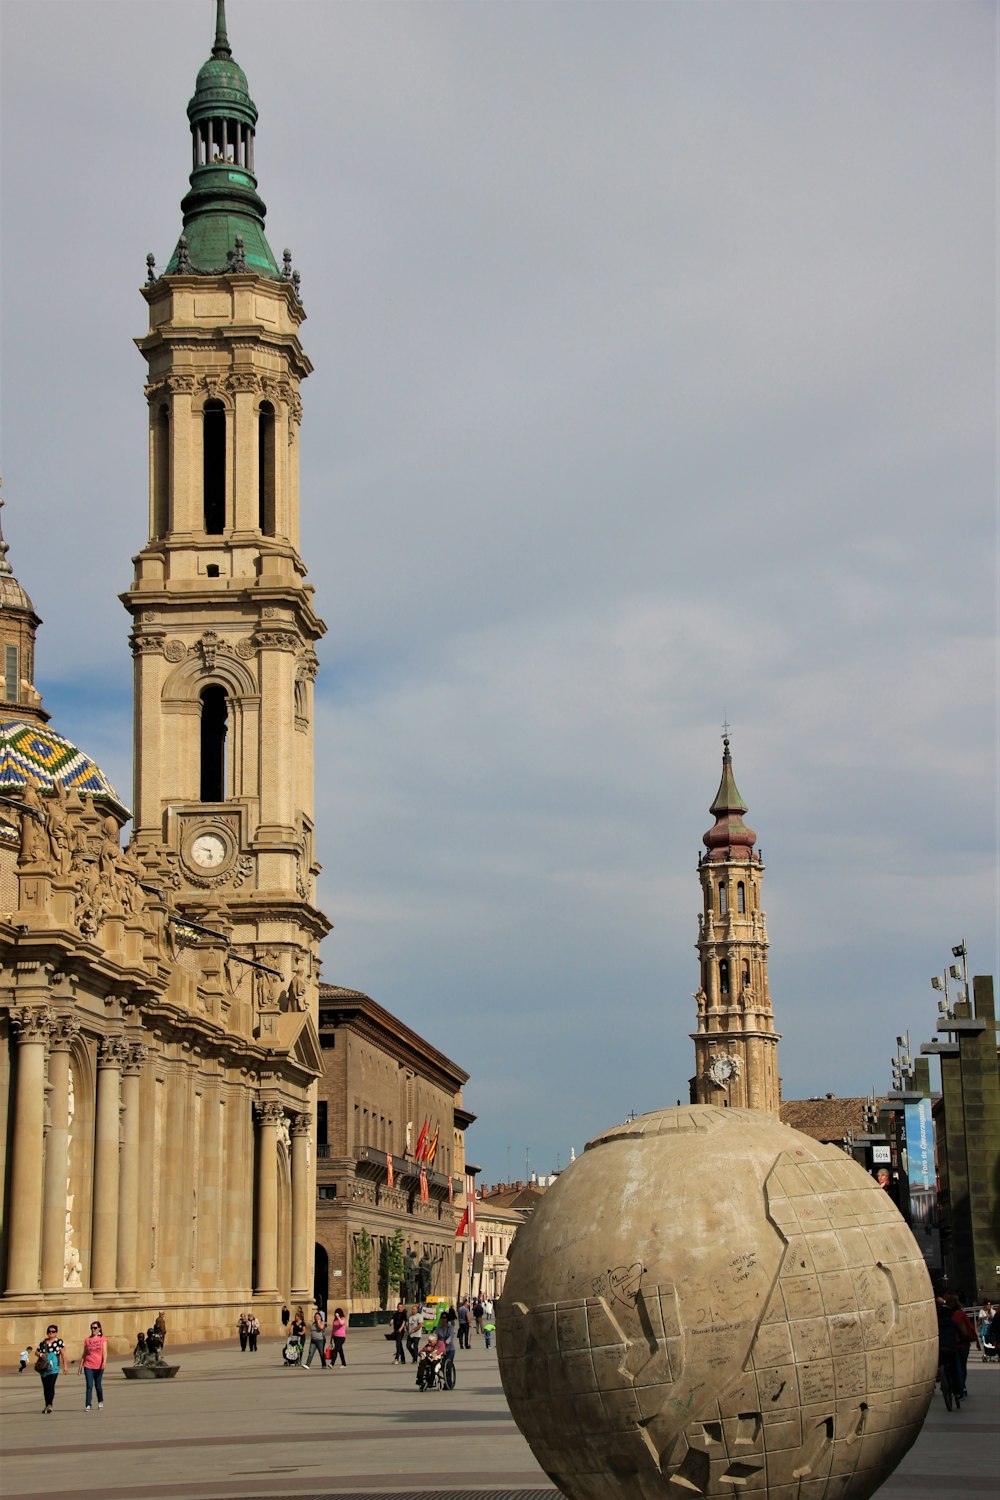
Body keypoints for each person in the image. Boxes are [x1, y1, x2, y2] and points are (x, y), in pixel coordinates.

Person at [947, 1295, 976, 1396]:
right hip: (964, 1343)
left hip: (952, 1343)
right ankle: (962, 1386)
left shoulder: (948, 1315)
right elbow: (970, 1327)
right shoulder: (962, 1314)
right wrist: (976, 1340)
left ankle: (955, 1385)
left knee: (955, 1366)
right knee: (962, 1366)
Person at [36, 1323, 67, 1414]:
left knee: (51, 1385)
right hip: (44, 1368)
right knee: (45, 1387)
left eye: (53, 1331)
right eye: (49, 1331)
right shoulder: (43, 1342)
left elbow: (64, 1354)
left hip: (54, 1367)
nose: (51, 1333)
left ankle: (50, 1404)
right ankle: (46, 1404)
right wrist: (41, 1354)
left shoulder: (59, 1342)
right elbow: (36, 1352)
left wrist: (65, 1366)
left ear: (56, 1333)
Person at [79, 1319, 108, 1411]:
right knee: (89, 1385)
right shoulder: (87, 1340)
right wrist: (80, 1366)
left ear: (99, 1329)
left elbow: (104, 1352)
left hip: (99, 1366)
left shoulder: (103, 1339)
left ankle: (100, 1401)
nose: (93, 1330)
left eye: (95, 1328)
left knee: (98, 1386)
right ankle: (88, 1404)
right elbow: (84, 1354)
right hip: (88, 1365)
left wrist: (104, 1362)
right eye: (92, 1328)